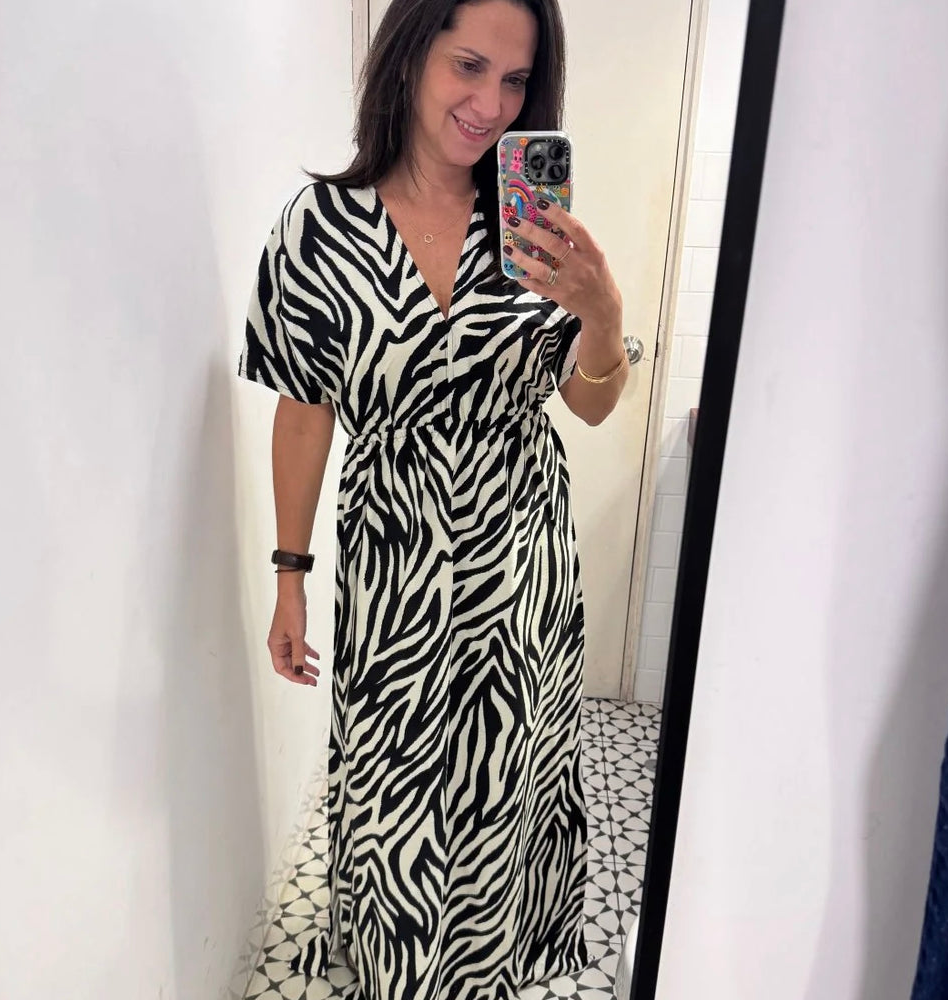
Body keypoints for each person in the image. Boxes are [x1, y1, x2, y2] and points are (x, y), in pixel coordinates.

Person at [237, 0, 628, 996]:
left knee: (506, 774)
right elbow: (304, 411)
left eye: (515, 81)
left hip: (519, 559)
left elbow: (590, 406)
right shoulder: (318, 229)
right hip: (393, 563)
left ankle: (490, 966)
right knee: (393, 784)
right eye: (469, 65)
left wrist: (601, 316)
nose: (490, 104)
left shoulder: (535, 226)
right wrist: (289, 577)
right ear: (409, 56)